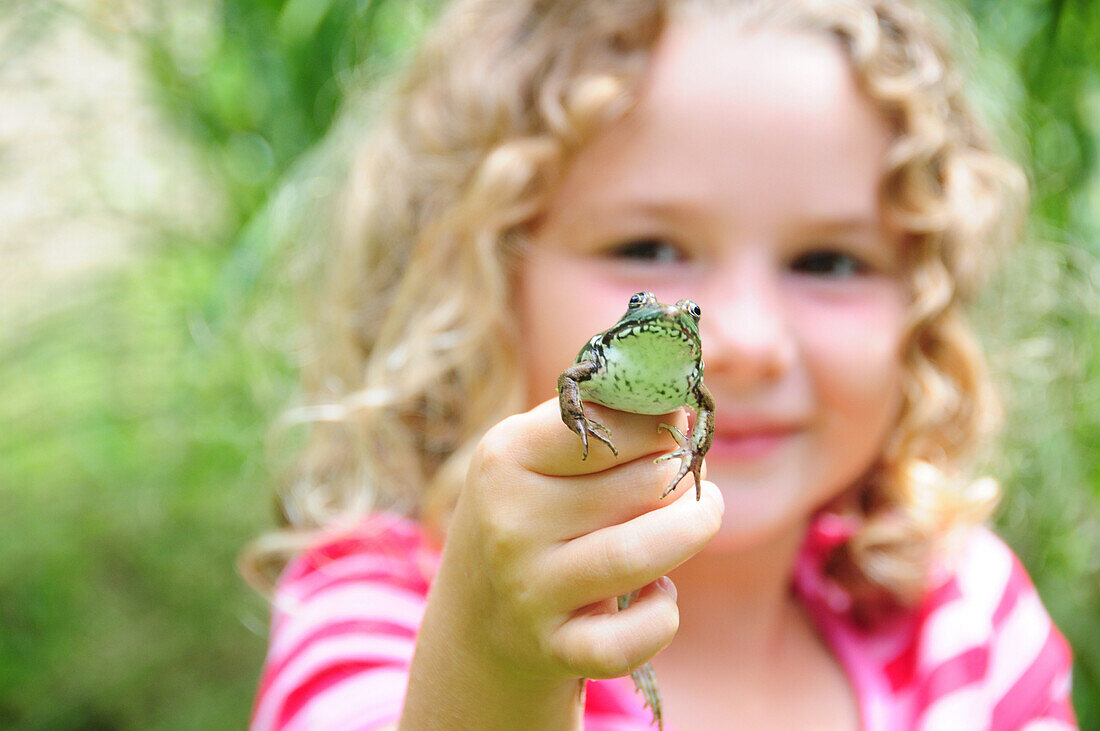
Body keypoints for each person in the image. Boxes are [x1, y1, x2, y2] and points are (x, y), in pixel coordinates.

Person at [244, 0, 1077, 728]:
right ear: (484, 273)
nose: (746, 340)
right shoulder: (380, 613)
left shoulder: (966, 619)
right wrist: (492, 664)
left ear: (921, 304)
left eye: (829, 261)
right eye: (649, 247)